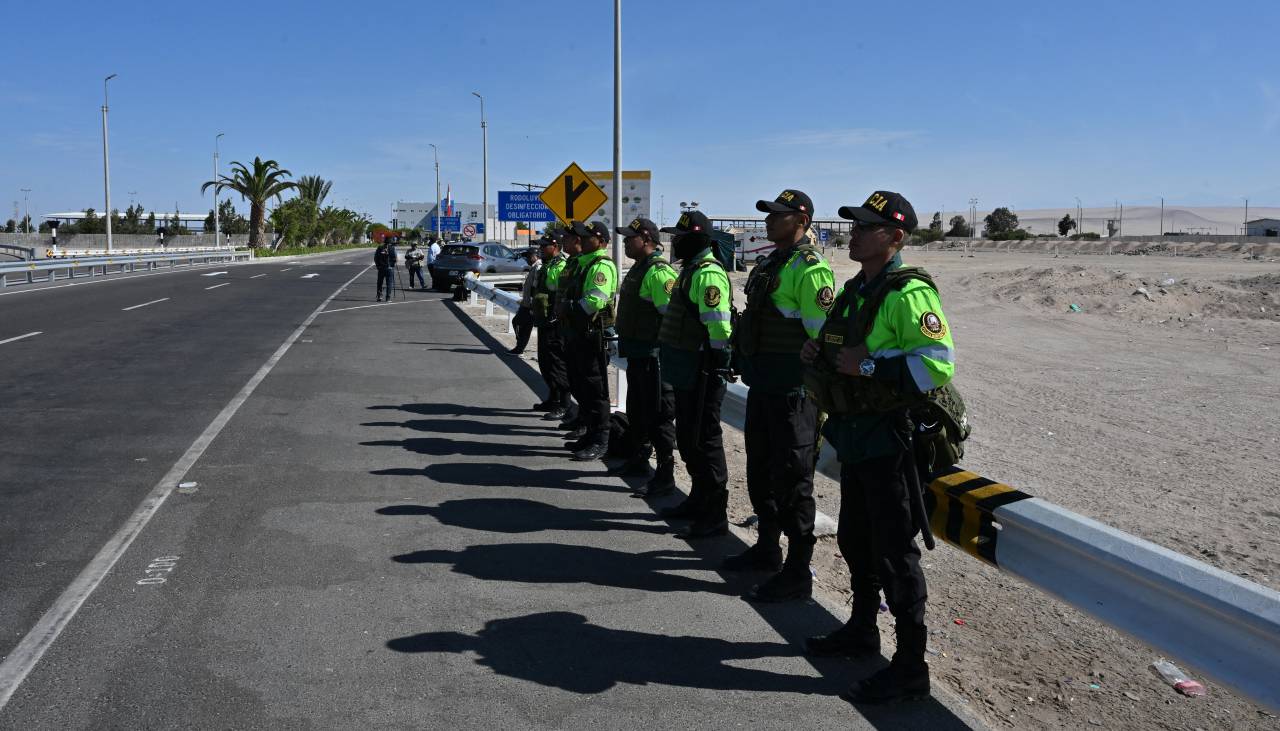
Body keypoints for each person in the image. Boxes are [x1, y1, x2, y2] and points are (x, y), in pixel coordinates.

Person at [800, 190, 955, 704]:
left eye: (867, 227)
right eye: (856, 224)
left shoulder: (907, 293)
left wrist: (866, 366)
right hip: (856, 436)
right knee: (855, 541)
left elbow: (936, 363)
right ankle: (863, 629)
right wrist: (817, 349)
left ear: (895, 237)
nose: (856, 233)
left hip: (891, 441)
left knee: (895, 555)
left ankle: (910, 666)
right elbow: (839, 343)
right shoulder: (858, 288)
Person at [725, 188, 835, 603]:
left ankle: (798, 571)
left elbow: (822, 337)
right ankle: (767, 549)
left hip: (794, 394)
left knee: (793, 482)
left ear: (802, 221)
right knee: (761, 474)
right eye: (769, 214)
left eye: (779, 215)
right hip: (764, 388)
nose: (770, 221)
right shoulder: (774, 262)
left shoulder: (809, 270)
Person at [655, 210, 734, 539]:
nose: (675, 242)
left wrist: (714, 364)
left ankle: (714, 514)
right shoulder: (690, 271)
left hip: (702, 371)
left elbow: (718, 327)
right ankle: (698, 501)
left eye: (681, 237)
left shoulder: (707, 274)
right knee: (689, 440)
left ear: (697, 239)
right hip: (687, 370)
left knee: (705, 441)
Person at [612, 217, 679, 494]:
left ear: (648, 240)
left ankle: (665, 472)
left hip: (655, 356)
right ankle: (639, 459)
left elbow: (671, 318)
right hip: (638, 354)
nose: (626, 242)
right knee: (638, 410)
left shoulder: (659, 273)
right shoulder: (640, 268)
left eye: (630, 238)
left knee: (658, 415)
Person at [556, 220, 619, 461]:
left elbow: (595, 300)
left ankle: (601, 439)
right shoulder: (583, 264)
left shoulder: (601, 265)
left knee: (595, 390)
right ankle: (590, 432)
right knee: (581, 386)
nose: (582, 239)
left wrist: (568, 307)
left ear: (601, 241)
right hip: (577, 334)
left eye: (588, 237)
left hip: (592, 336)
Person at [531, 232, 572, 416]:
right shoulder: (547, 265)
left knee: (557, 363)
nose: (540, 249)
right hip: (544, 321)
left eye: (544, 246)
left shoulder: (561, 265)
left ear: (555, 247)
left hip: (554, 323)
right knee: (545, 362)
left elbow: (556, 289)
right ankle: (552, 398)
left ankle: (564, 404)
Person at [509, 249, 541, 355]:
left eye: (529, 256)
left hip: (530, 305)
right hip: (527, 303)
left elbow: (535, 287)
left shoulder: (538, 267)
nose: (527, 259)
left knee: (519, 323)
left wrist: (532, 304)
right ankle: (520, 347)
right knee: (523, 326)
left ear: (535, 256)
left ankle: (520, 347)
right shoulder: (533, 267)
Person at [374, 236, 398, 301]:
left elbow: (376, 258)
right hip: (389, 268)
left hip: (381, 268)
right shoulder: (392, 248)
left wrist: (377, 266)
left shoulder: (380, 247)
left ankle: (379, 296)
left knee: (379, 283)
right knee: (389, 283)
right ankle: (388, 298)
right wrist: (393, 263)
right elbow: (396, 259)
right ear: (391, 242)